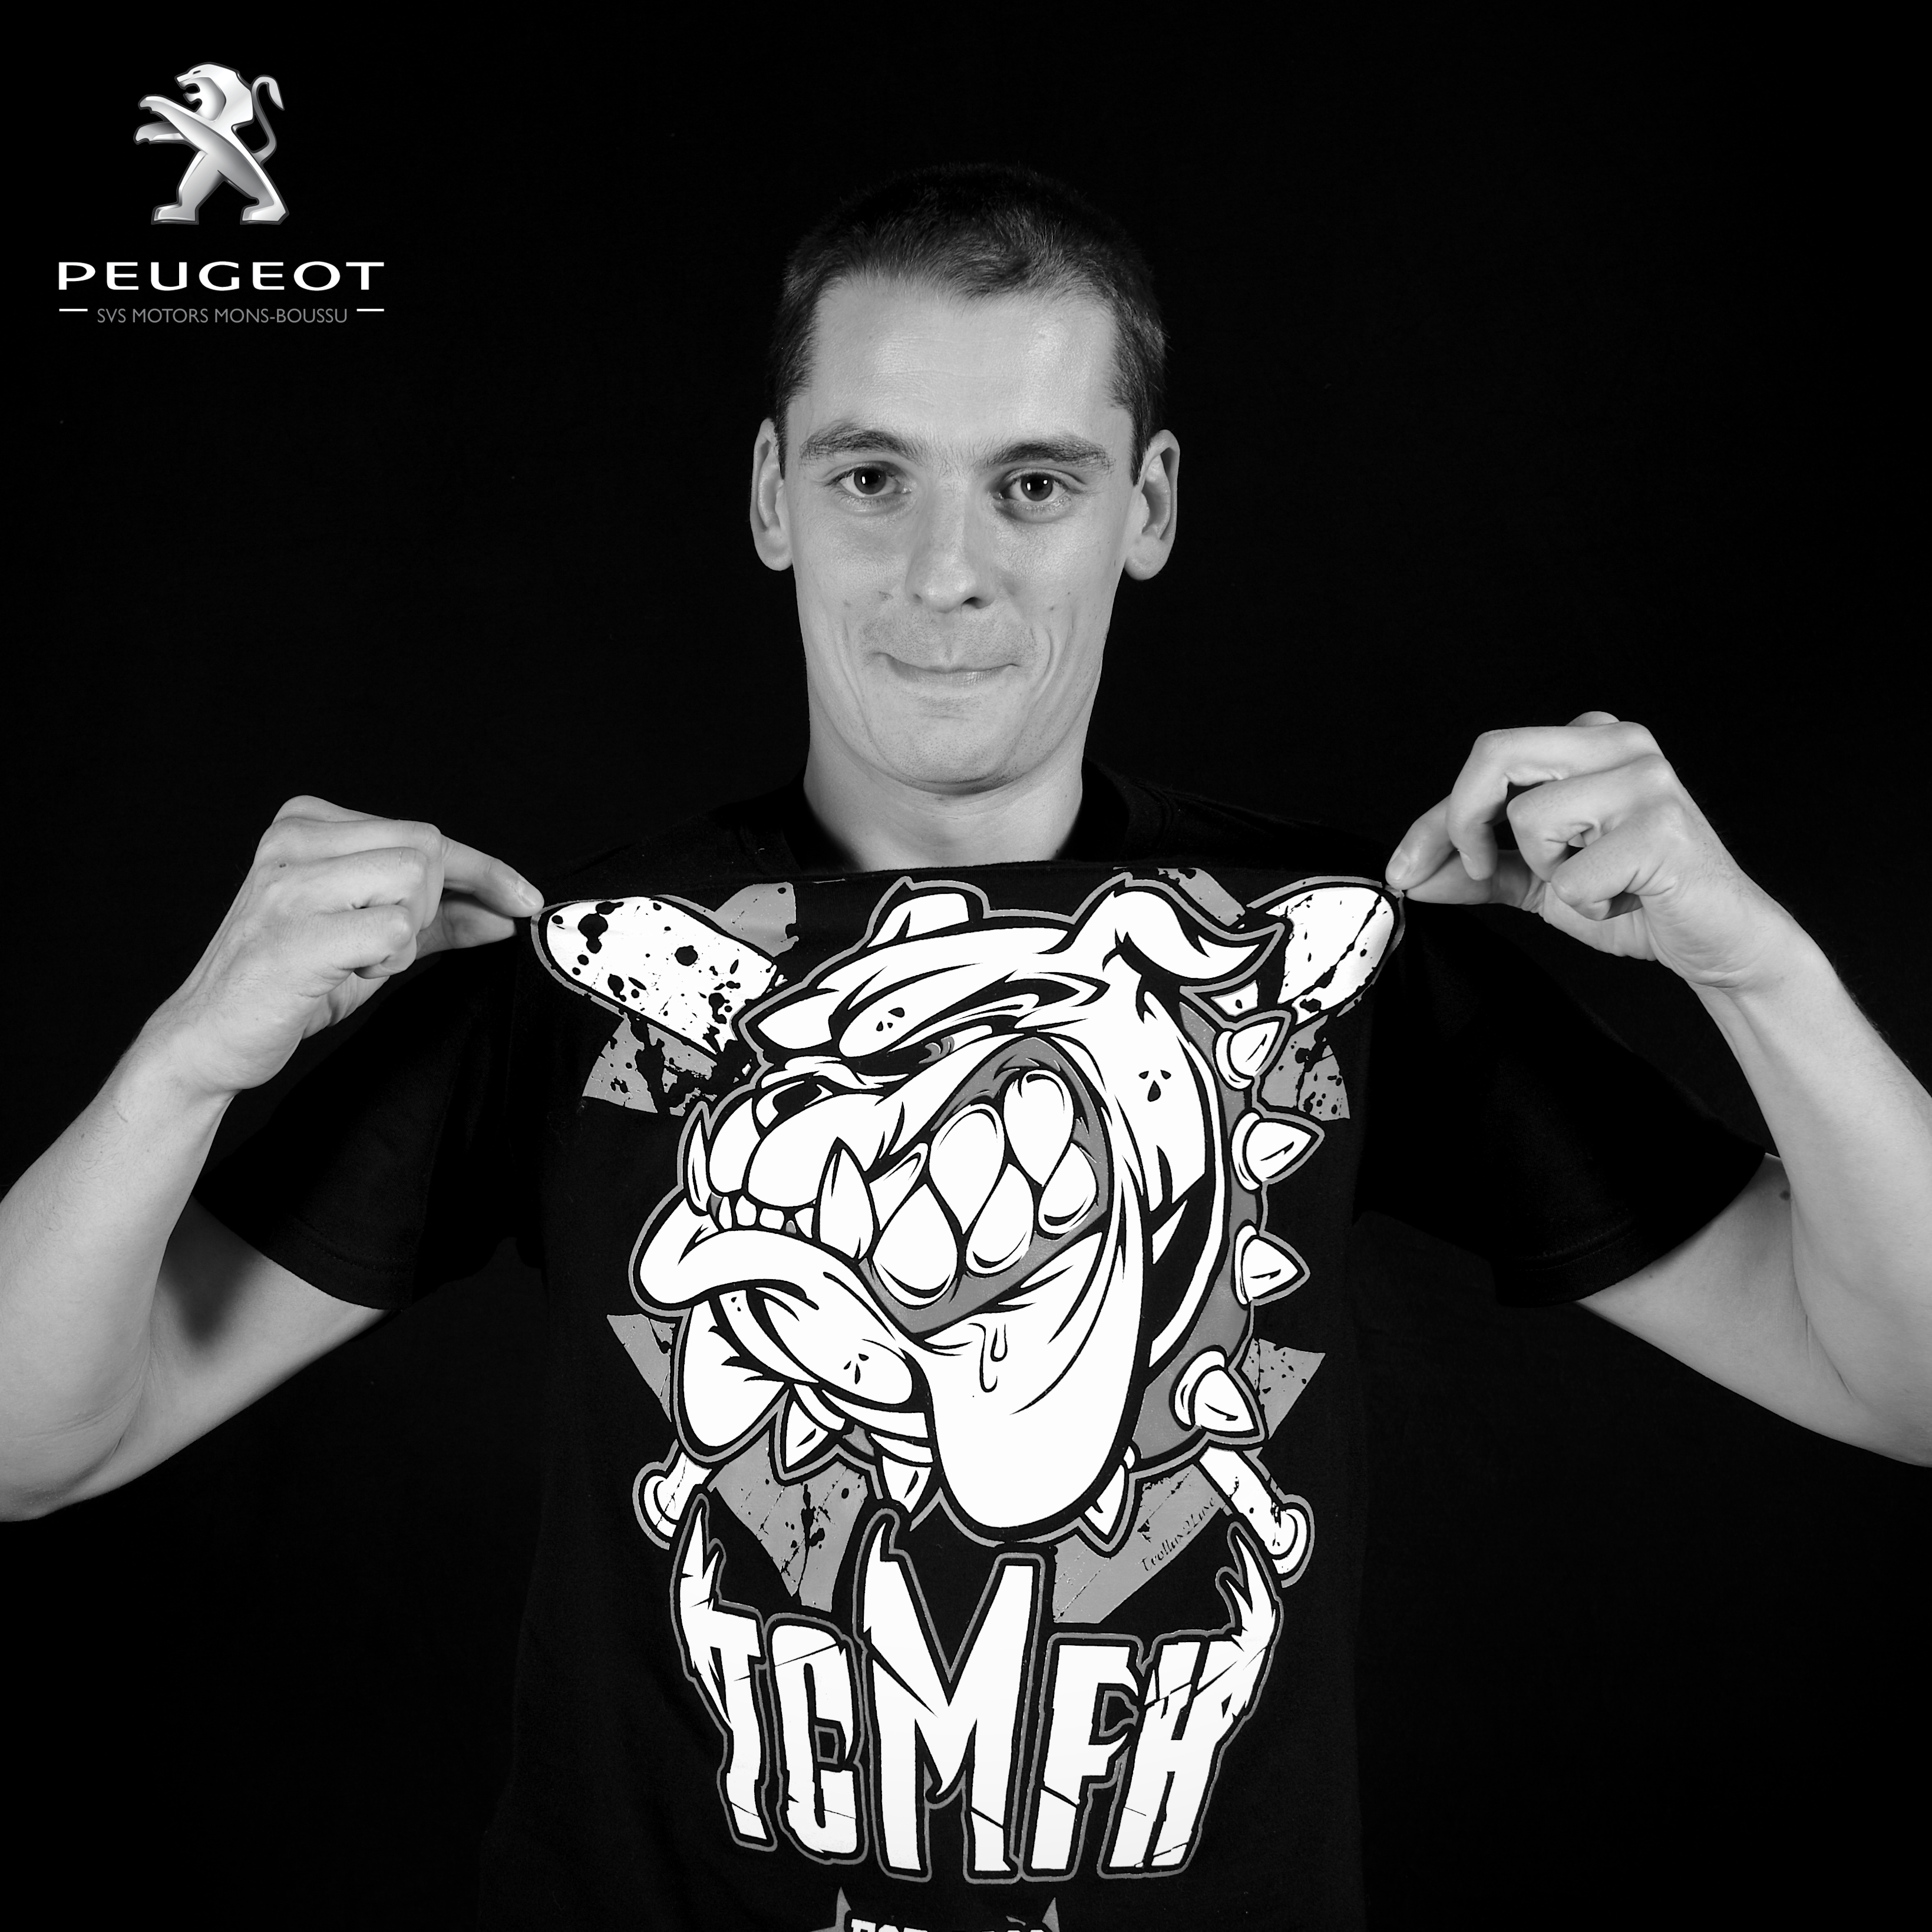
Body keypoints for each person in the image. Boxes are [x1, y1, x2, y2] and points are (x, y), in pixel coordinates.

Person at [2, 164, 1926, 1932]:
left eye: (1032, 483)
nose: (945, 573)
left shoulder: (1324, 960)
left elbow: (1898, 1380)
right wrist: (181, 1063)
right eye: (871, 477)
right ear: (771, 496)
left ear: (1146, 507)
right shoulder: (576, 975)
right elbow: (35, 1447)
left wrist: (1760, 971)